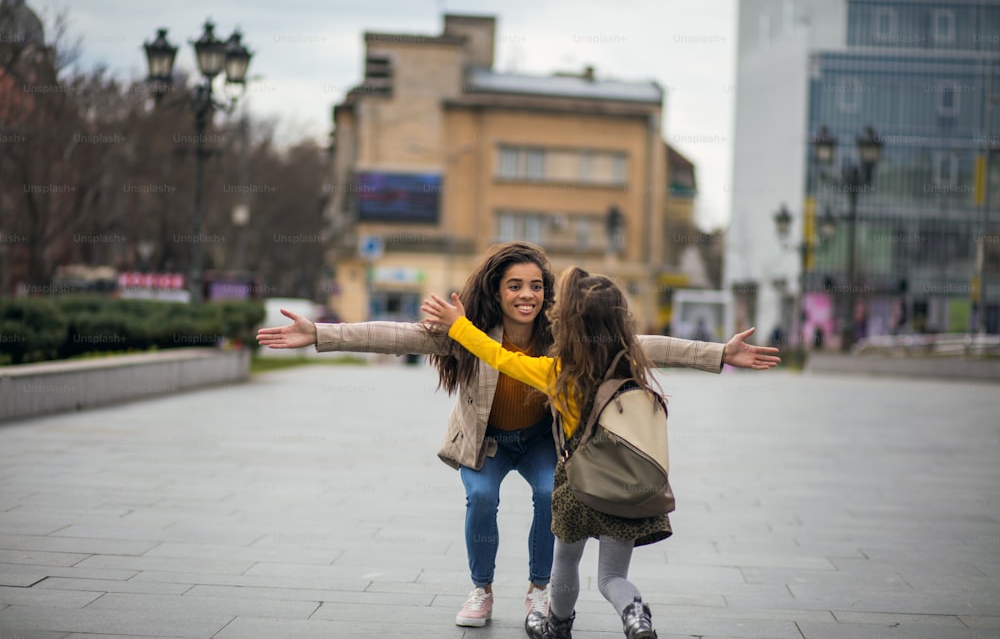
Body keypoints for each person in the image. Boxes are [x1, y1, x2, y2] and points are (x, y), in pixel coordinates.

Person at [256, 242, 781, 633]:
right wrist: (322, 334)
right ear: (497, 291)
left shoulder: (563, 337)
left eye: (535, 286)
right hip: (485, 442)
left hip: (536, 441)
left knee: (548, 495)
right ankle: (481, 590)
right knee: (481, 497)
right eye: (515, 286)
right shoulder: (467, 331)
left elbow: (643, 344)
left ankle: (537, 591)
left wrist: (716, 354)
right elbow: (395, 336)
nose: (527, 295)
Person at [421, 267, 779, 639]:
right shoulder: (632, 365)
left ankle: (557, 624)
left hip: (580, 487)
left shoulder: (557, 372)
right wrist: (722, 354)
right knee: (612, 577)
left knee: (566, 561)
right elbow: (664, 346)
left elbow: (498, 357)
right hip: (625, 486)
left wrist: (459, 325)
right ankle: (635, 613)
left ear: (568, 327)